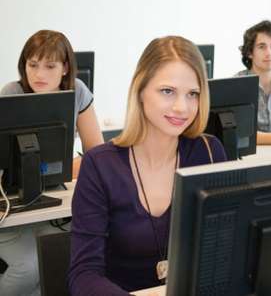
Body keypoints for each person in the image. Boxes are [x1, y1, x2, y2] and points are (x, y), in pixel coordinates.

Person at [68, 36, 227, 295]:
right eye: (167, 91)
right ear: (140, 90)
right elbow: (83, 275)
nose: (182, 107)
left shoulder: (209, 153)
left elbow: (225, 251)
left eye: (193, 94)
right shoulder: (100, 165)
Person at [0, 29, 103, 296]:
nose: (39, 74)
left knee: (68, 258)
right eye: (32, 65)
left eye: (50, 66)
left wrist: (64, 170)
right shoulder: (12, 92)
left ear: (65, 67)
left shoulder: (77, 90)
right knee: (29, 267)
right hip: (13, 205)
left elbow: (96, 152)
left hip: (56, 202)